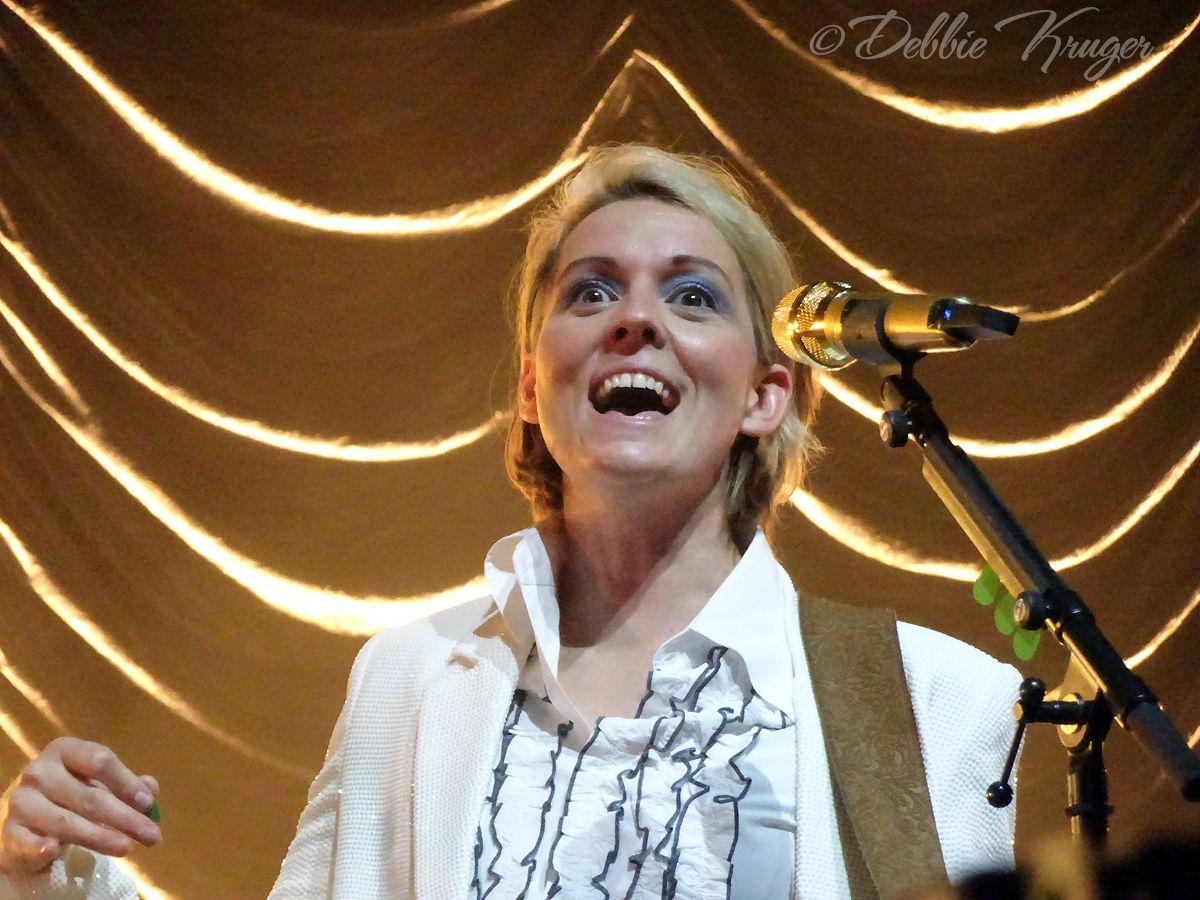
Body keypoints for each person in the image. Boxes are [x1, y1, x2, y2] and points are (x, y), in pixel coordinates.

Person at [0, 145, 1021, 900]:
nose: (635, 318)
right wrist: (52, 873)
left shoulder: (931, 701)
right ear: (533, 387)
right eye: (592, 291)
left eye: (693, 296)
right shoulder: (407, 680)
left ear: (765, 395)